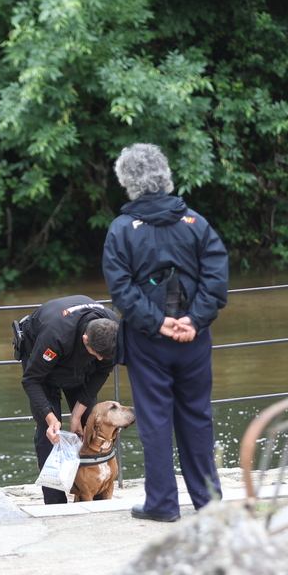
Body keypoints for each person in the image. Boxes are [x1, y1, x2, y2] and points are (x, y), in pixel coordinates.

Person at [102, 143, 229, 522]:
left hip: (148, 342)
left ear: (127, 182)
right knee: (197, 416)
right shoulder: (195, 223)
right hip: (193, 338)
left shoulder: (121, 230)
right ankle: (209, 503)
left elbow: (121, 290)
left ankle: (162, 504)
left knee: (155, 421)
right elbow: (216, 277)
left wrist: (158, 322)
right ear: (165, 176)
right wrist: (194, 319)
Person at [16, 295, 119, 504]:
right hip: (42, 368)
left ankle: (97, 496)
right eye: (97, 354)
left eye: (104, 356)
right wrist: (51, 418)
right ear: (85, 339)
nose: (101, 359)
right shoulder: (55, 334)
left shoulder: (114, 333)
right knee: (50, 435)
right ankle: (55, 502)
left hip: (82, 369)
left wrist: (78, 415)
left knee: (91, 424)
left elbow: (101, 372)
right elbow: (31, 380)